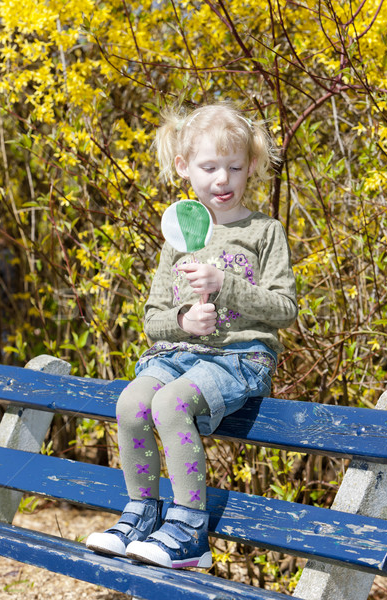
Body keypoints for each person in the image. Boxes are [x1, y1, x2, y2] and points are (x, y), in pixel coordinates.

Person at [86, 102, 298, 569]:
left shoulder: (264, 231)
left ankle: (189, 530)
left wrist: (228, 287)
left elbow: (284, 310)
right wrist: (183, 322)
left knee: (169, 403)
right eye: (209, 167)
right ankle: (141, 514)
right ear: (184, 167)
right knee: (131, 403)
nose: (222, 180)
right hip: (175, 355)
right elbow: (152, 318)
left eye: (234, 167)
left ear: (252, 167)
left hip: (238, 359)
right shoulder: (178, 235)